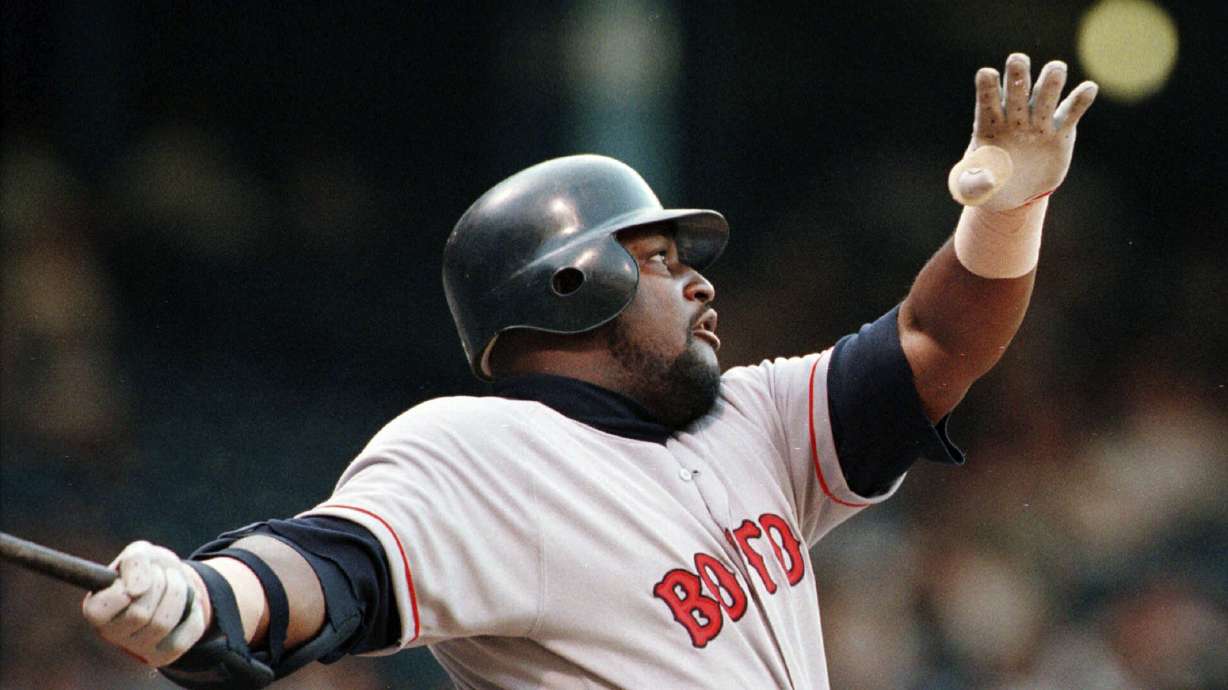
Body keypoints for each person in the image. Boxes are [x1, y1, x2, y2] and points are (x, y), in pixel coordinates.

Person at [82, 54, 1097, 689]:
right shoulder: (481, 449)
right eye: (659, 260)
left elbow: (936, 345)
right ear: (570, 283)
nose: (699, 287)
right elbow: (337, 570)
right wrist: (213, 594)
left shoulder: (750, 420)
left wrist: (1002, 212)